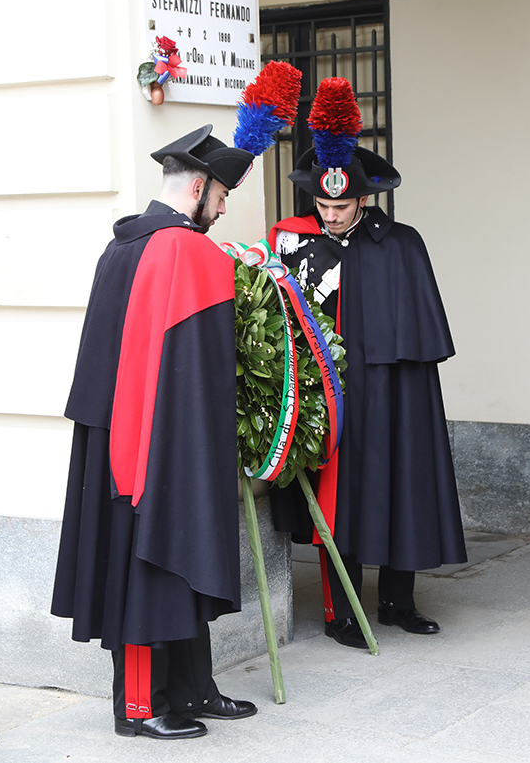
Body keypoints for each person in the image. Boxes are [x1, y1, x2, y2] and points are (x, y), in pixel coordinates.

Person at [51, 126, 259, 740]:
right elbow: (207, 371)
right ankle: (141, 706)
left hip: (125, 435)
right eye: (220, 196)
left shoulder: (120, 247)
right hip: (158, 444)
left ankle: (192, 687)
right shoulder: (185, 252)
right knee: (154, 563)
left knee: (169, 560)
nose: (222, 209)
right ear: (197, 187)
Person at [267, 78, 467, 650]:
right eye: (323, 205)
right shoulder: (296, 244)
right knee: (342, 499)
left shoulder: (401, 243)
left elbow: (422, 330)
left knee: (403, 489)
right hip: (334, 396)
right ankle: (343, 611)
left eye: (342, 205)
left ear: (364, 200)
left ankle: (398, 602)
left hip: (395, 392)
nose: (330, 215)